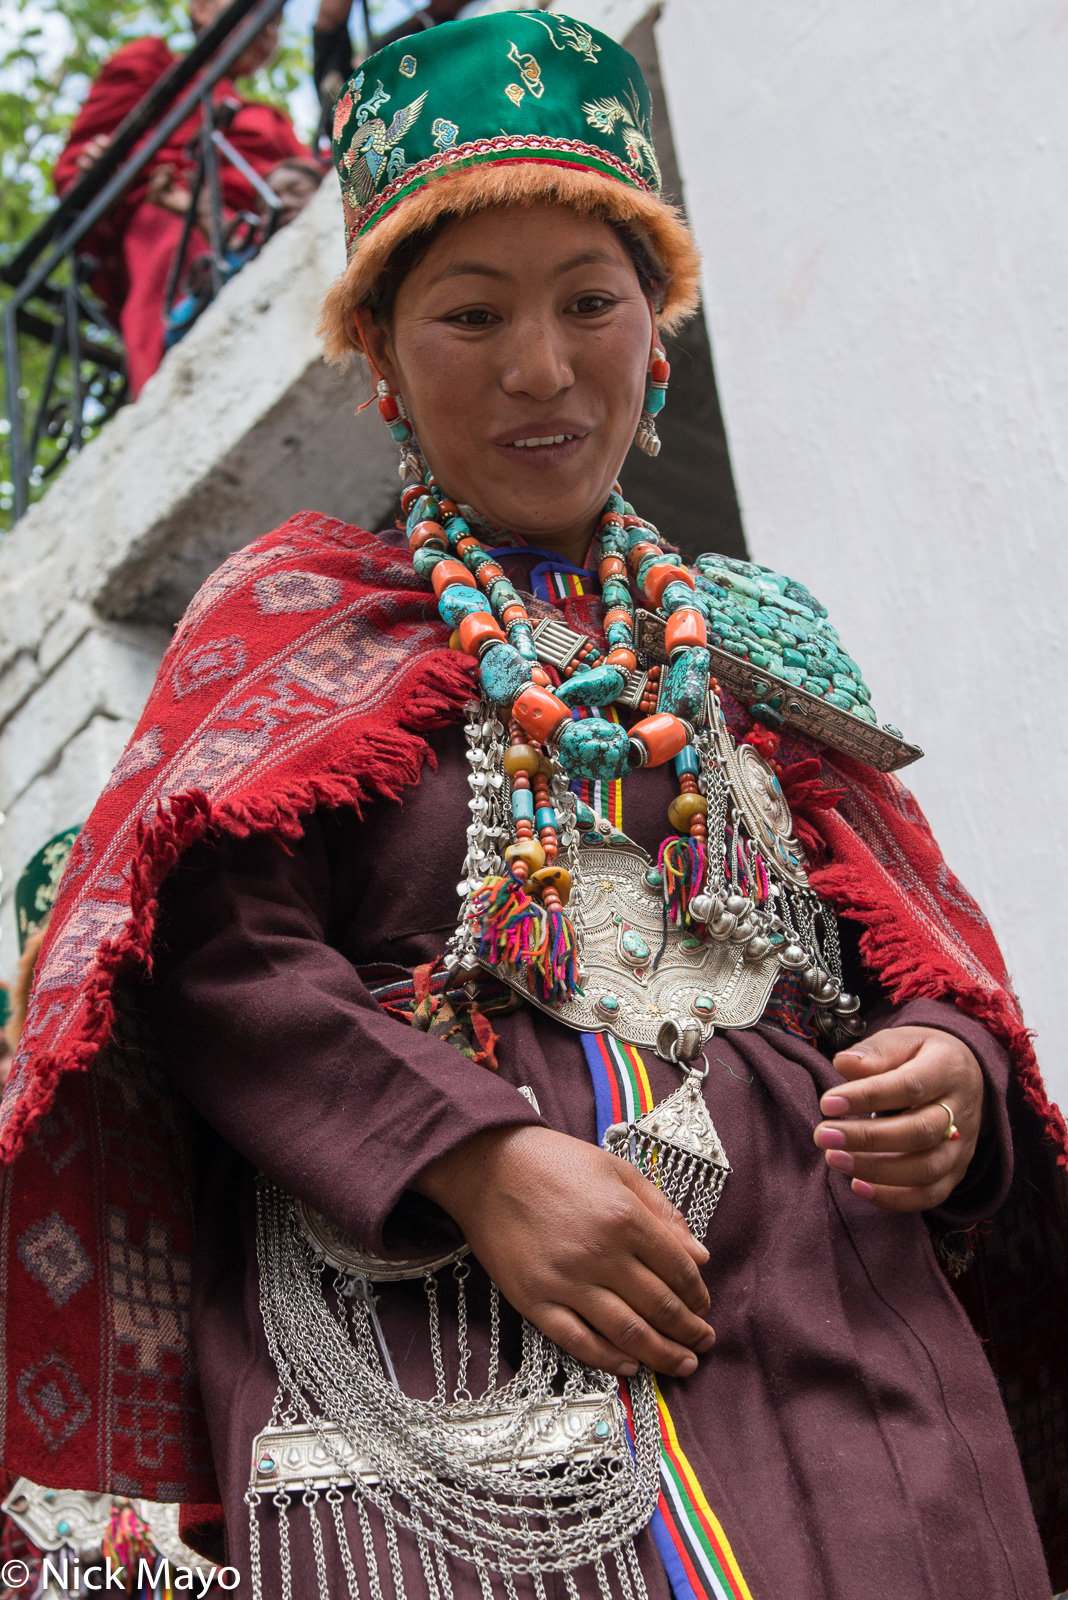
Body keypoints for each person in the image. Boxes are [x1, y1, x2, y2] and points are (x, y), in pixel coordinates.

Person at [3, 13, 1066, 1600]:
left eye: (592, 301)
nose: (541, 367)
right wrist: (475, 1162)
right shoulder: (291, 618)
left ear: (660, 332)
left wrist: (955, 1077)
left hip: (844, 1336)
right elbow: (217, 966)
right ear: (374, 353)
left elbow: (910, 955)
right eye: (470, 312)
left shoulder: (761, 654)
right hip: (438, 1345)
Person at [55, 0, 313, 396]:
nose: (267, 30)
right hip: (171, 225)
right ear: (203, 7)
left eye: (277, 23)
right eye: (256, 10)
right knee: (179, 254)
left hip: (267, 232)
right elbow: (79, 175)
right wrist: (97, 168)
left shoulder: (271, 118)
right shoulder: (151, 64)